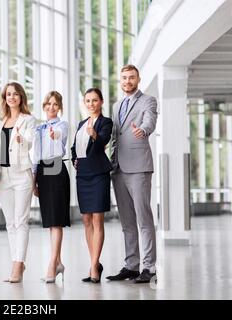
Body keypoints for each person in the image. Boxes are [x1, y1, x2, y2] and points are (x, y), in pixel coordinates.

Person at [107, 64, 158, 284]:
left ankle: (149, 267)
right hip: (118, 168)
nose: (127, 81)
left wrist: (143, 130)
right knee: (127, 221)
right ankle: (131, 265)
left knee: (143, 218)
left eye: (131, 78)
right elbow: (114, 136)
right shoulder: (117, 105)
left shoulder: (148, 100)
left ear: (138, 79)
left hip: (138, 167)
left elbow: (150, 121)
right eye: (124, 78)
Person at [71, 88, 113, 284]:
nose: (91, 104)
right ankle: (94, 262)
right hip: (83, 174)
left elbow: (103, 140)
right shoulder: (81, 124)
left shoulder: (106, 122)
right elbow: (74, 147)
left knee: (97, 220)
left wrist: (95, 134)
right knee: (86, 219)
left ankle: (94, 266)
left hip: (98, 173)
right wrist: (74, 160)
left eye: (94, 100)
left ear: (101, 102)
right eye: (88, 101)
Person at [0, 82, 36, 283]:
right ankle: (16, 259)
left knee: (21, 221)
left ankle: (18, 265)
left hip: (22, 175)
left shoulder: (28, 120)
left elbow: (30, 142)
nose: (11, 97)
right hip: (4, 176)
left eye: (15, 94)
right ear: (5, 98)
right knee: (10, 223)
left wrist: (21, 140)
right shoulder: (1, 121)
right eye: (8, 94)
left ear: (21, 97)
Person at [32, 91, 70, 284]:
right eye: (48, 104)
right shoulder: (39, 128)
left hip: (56, 168)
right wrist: (33, 180)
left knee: (56, 221)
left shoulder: (62, 125)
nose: (51, 107)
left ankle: (52, 264)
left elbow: (60, 142)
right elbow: (36, 154)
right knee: (50, 221)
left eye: (55, 104)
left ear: (59, 106)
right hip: (43, 172)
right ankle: (59, 262)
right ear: (44, 106)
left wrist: (55, 136)